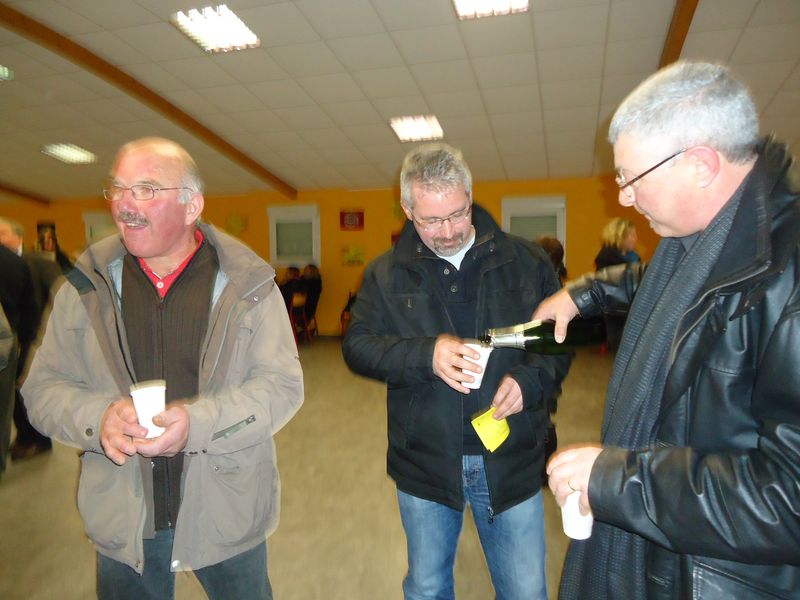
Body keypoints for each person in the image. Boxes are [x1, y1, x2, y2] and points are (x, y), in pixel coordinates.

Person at [535, 61, 800, 599]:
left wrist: (619, 479)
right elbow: (667, 285)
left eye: (631, 178)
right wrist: (583, 293)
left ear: (700, 165)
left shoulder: (787, 280)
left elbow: (788, 499)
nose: (624, 197)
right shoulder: (704, 242)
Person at [21, 137, 304, 600]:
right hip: (124, 514)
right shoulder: (84, 288)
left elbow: (282, 387)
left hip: (226, 506)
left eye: (146, 189)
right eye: (118, 188)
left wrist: (198, 424)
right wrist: (98, 419)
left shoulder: (247, 286)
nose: (125, 204)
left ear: (192, 205)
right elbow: (41, 390)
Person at [343, 143, 570, 599]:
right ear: (407, 210)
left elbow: (555, 344)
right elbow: (357, 347)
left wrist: (529, 383)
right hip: (425, 462)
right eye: (431, 220)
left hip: (511, 457)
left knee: (525, 591)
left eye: (457, 214)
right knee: (427, 588)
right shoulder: (385, 274)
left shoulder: (526, 262)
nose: (447, 232)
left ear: (470, 195)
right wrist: (425, 355)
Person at [0, 217, 58, 460]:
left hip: (32, 336)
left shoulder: (38, 262)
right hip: (12, 338)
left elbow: (53, 297)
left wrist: (32, 338)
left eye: (2, 233)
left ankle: (38, 439)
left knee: (25, 390)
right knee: (11, 394)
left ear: (18, 236)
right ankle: (25, 437)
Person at [0, 242, 38, 475]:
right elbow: (30, 305)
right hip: (9, 342)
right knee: (4, 407)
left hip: (7, 339)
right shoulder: (16, 261)